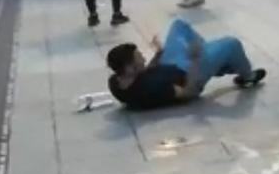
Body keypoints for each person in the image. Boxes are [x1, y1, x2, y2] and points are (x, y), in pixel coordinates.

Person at [106, 19, 266, 111]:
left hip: (168, 64)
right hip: (189, 75)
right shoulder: (154, 89)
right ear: (129, 68)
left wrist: (159, 54)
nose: (142, 57)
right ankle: (247, 77)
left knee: (179, 25)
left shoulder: (117, 82)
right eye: (138, 57)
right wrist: (196, 60)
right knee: (232, 43)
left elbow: (143, 74)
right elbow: (189, 93)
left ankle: (215, 61)